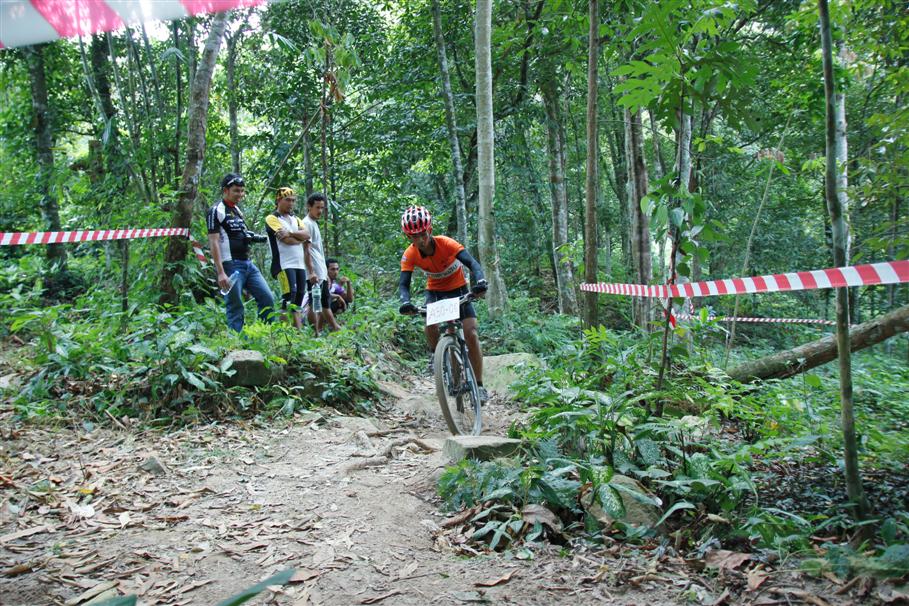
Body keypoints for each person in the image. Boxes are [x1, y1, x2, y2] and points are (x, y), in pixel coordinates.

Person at [397, 206, 489, 402]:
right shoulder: (410, 254)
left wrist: (480, 281)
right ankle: (435, 356)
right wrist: (405, 302)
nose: (420, 240)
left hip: (458, 289)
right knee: (430, 324)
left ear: (429, 230)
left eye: (423, 234)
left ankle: (479, 385)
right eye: (414, 236)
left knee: (471, 333)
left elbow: (472, 264)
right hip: (435, 292)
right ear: (408, 237)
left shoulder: (446, 243)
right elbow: (404, 284)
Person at [206, 173, 275, 332]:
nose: (240, 194)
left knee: (267, 298)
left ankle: (265, 335)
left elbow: (242, 233)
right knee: (235, 305)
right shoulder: (216, 210)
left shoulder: (236, 210)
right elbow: (213, 241)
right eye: (236, 191)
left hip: (248, 264)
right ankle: (236, 341)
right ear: (225, 190)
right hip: (230, 265)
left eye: (242, 191)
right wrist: (220, 272)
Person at [265, 187, 311, 329]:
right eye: (287, 200)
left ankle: (298, 332)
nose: (291, 203)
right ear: (279, 200)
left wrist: (290, 233)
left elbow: (307, 235)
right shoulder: (272, 218)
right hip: (283, 264)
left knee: (298, 299)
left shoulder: (296, 219)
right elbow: (286, 240)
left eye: (293, 200)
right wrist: (298, 238)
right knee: (288, 297)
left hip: (299, 264)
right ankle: (284, 331)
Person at [302, 192, 340, 335]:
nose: (320, 211)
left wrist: (324, 273)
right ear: (309, 207)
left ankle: (324, 330)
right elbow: (306, 250)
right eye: (317, 207)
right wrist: (311, 272)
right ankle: (319, 332)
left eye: (322, 208)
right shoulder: (306, 223)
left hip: (320, 270)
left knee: (322, 302)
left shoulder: (313, 223)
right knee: (316, 302)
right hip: (314, 271)